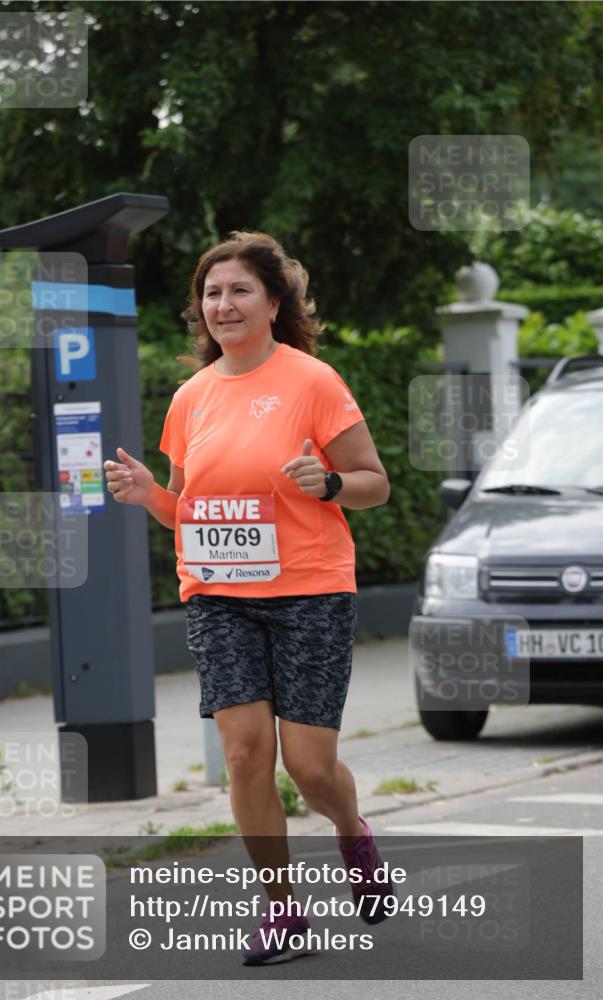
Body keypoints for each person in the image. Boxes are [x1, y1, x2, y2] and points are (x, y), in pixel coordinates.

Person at [104, 231, 393, 966]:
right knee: (242, 756)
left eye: (237, 291)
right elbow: (189, 511)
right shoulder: (189, 398)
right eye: (211, 293)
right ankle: (283, 912)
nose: (222, 305)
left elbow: (371, 481)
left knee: (309, 766)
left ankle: (352, 832)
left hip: (308, 591)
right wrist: (149, 497)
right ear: (199, 311)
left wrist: (326, 483)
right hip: (216, 596)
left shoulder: (312, 381)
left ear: (271, 302)